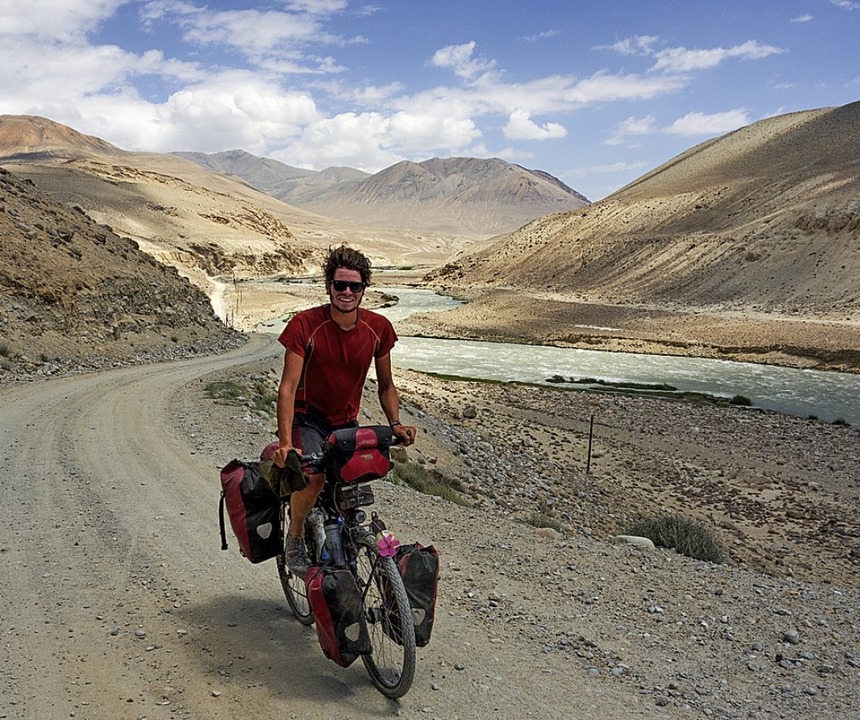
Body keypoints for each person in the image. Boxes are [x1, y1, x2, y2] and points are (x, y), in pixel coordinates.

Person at [271, 244, 417, 577]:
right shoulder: (305, 325)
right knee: (315, 477)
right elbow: (288, 389)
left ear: (365, 289)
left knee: (352, 484)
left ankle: (348, 546)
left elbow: (386, 386)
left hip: (345, 423)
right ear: (328, 287)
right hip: (308, 419)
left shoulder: (378, 328)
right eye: (340, 285)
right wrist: (285, 443)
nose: (347, 292)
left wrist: (395, 423)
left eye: (355, 286)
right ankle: (294, 537)